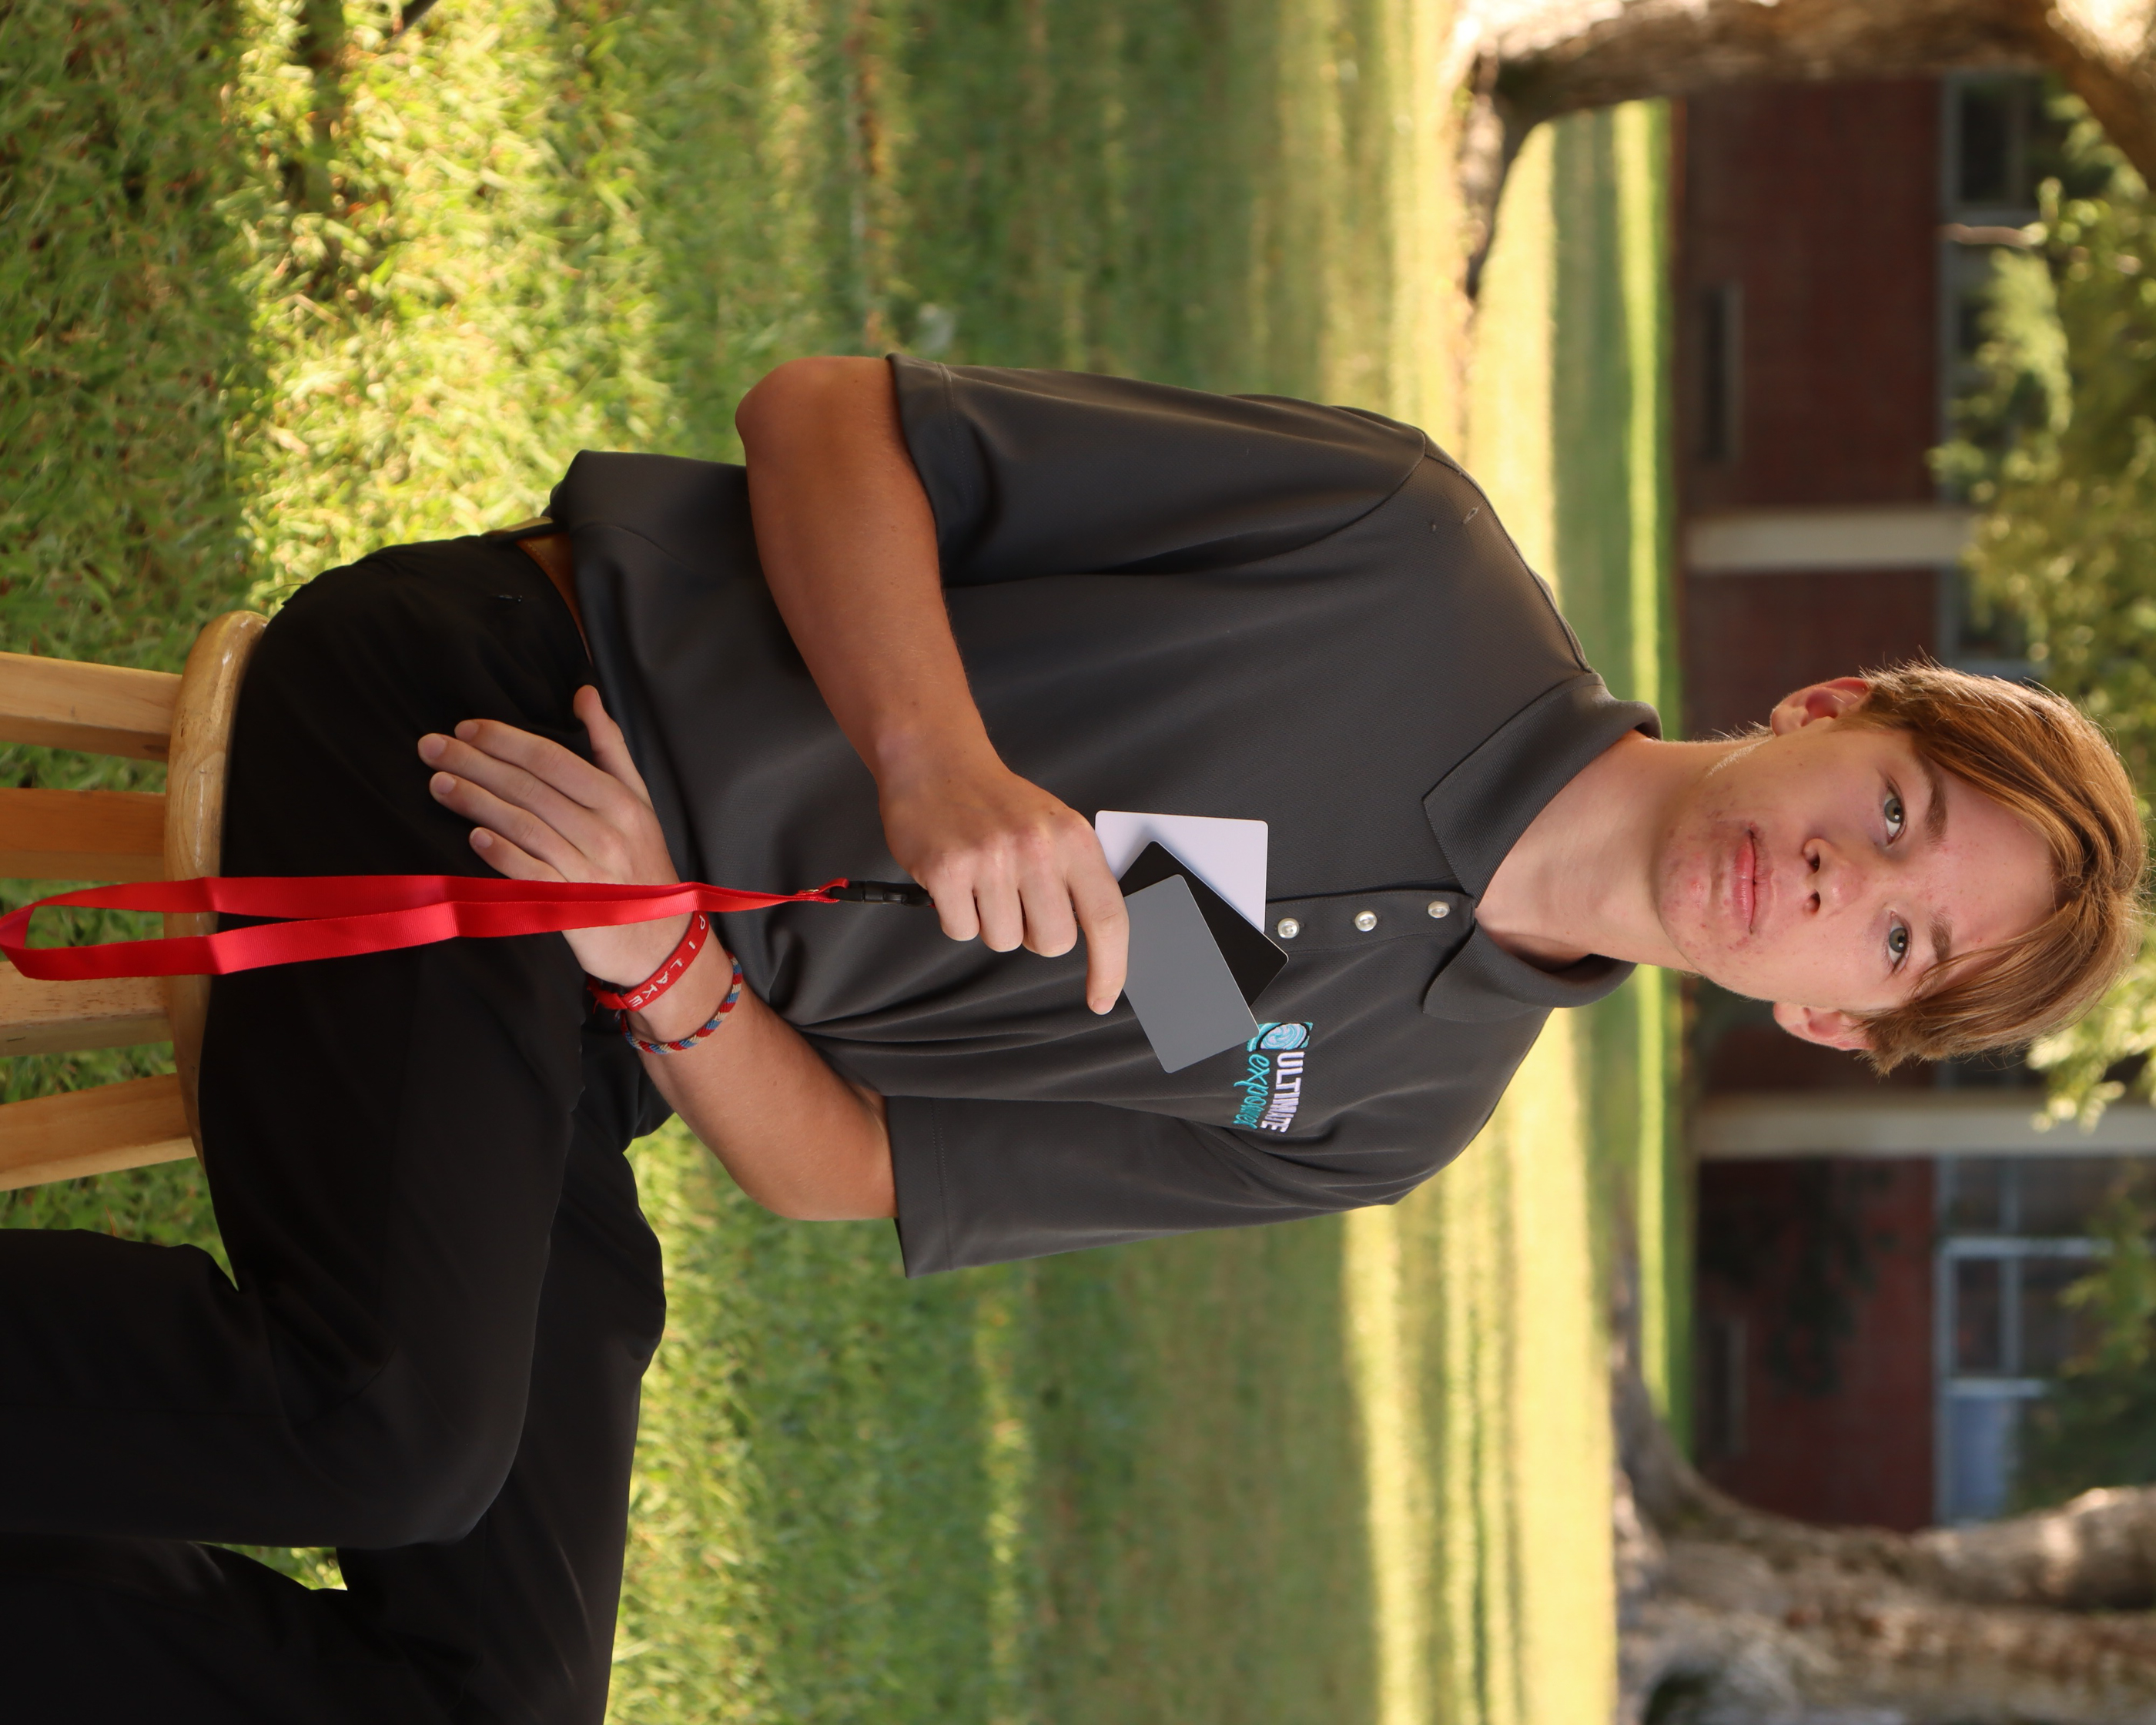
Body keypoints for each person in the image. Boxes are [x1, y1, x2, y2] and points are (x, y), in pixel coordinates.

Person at [0, 355, 2141, 1723]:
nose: (1837, 878)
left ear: (1832, 1019)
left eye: (1896, 936)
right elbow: (822, 416)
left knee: (493, 1694)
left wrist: (662, 966)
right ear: (1831, 707)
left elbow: (849, 1162)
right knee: (393, 1430)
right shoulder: (1405, 554)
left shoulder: (1386, 1107)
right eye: (1893, 812)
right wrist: (931, 762)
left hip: (590, 1009)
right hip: (511, 719)